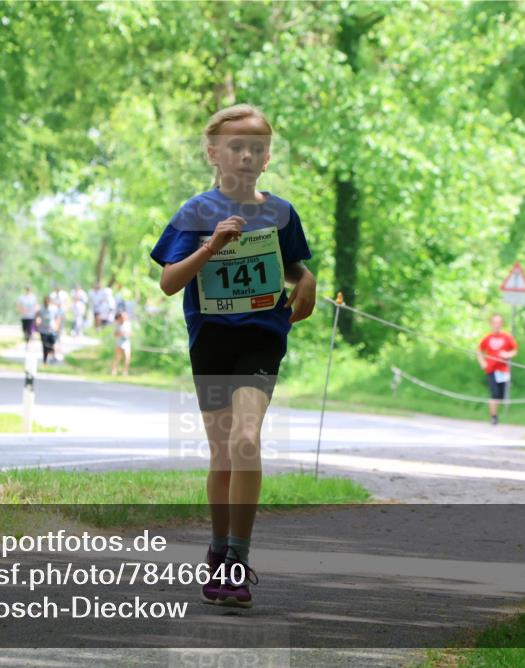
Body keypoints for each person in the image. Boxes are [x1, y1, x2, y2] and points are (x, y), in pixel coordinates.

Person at [151, 103, 315, 608]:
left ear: (267, 158)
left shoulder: (282, 212)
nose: (246, 155)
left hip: (261, 337)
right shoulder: (195, 213)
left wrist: (306, 279)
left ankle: (238, 559)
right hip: (212, 340)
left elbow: (290, 266)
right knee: (222, 453)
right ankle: (219, 548)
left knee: (246, 440)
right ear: (213, 153)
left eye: (256, 148)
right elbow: (169, 282)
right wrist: (211, 246)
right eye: (236, 147)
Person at [476, 314, 518, 425]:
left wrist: (507, 354)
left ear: (502, 324)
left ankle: (498, 414)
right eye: (495, 322)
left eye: (499, 322)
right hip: (491, 370)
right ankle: (493, 417)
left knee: (501, 395)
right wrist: (482, 363)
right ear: (491, 324)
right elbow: (479, 350)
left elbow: (514, 350)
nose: (497, 325)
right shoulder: (487, 338)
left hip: (503, 371)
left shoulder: (507, 337)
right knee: (494, 393)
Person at [36, 295, 61, 365]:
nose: (46, 302)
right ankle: (45, 359)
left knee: (52, 344)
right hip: (43, 330)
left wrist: (57, 326)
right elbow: (37, 316)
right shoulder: (41, 308)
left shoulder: (54, 308)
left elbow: (58, 317)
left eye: (48, 301)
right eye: (45, 301)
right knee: (45, 345)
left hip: (52, 329)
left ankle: (53, 357)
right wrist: (37, 321)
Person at [110, 311, 132, 376]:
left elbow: (130, 333)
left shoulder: (128, 324)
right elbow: (115, 334)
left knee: (127, 357)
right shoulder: (117, 324)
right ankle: (114, 370)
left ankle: (125, 371)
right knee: (117, 357)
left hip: (126, 342)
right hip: (119, 342)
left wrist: (126, 334)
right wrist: (120, 334)